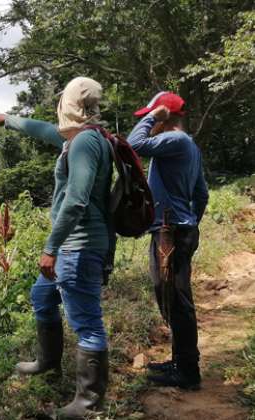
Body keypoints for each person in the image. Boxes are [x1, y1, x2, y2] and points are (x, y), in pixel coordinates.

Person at [0, 77, 113, 419]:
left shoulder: (84, 143)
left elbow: (76, 200)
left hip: (78, 247)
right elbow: (43, 131)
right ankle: (49, 363)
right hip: (75, 246)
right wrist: (5, 119)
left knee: (87, 324)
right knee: (42, 296)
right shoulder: (82, 138)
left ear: (68, 105)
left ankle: (87, 403)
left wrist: (51, 247)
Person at [127, 92, 209, 390]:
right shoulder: (190, 147)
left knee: (176, 300)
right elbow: (201, 194)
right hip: (178, 228)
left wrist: (153, 117)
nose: (150, 124)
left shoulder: (175, 140)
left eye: (154, 118)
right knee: (173, 298)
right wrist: (191, 222)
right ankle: (181, 362)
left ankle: (187, 371)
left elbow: (133, 145)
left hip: (170, 231)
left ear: (167, 117)